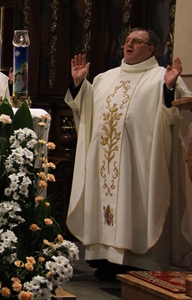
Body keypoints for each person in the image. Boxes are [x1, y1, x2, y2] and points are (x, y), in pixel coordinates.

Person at [65, 27, 192, 273]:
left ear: (151, 49)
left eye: (137, 41)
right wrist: (80, 84)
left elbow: (177, 115)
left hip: (139, 164)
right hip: (104, 163)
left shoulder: (161, 76)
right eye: (127, 40)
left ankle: (139, 263)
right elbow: (85, 112)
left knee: (136, 203)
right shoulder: (105, 78)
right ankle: (104, 260)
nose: (129, 44)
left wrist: (169, 89)